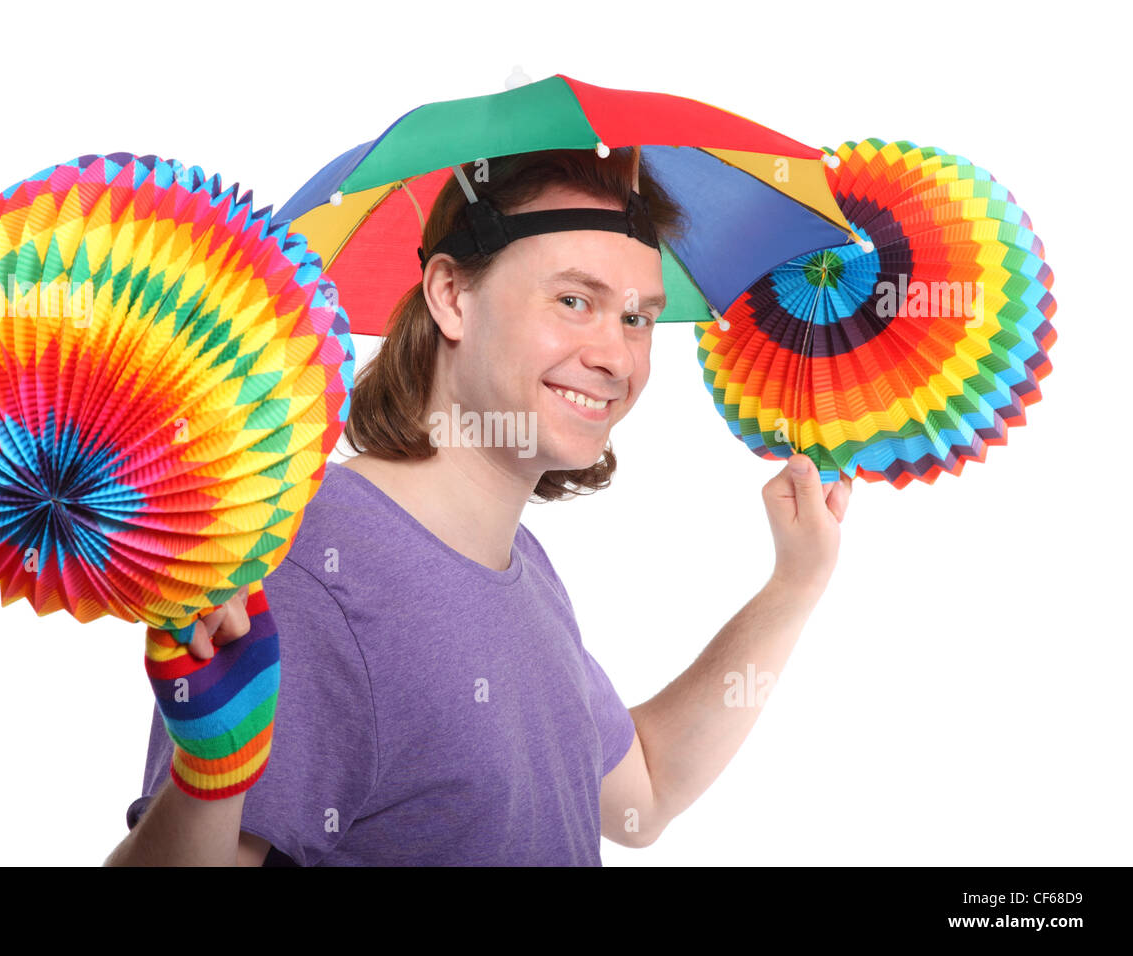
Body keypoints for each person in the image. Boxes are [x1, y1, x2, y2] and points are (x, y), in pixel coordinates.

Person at [104, 146, 853, 867]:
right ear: (451, 296)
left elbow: (643, 794)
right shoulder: (306, 568)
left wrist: (795, 583)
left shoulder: (521, 567)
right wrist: (208, 778)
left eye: (636, 318)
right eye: (573, 300)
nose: (617, 358)